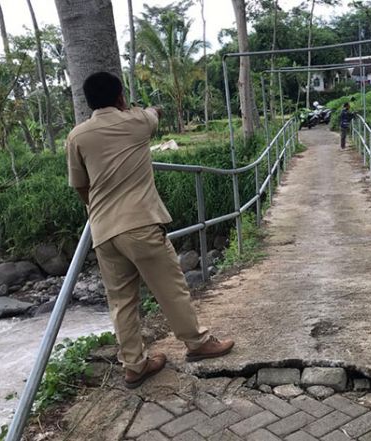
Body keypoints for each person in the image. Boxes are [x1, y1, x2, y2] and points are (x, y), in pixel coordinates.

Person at [66, 72, 234, 389]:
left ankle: (134, 365)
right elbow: (156, 113)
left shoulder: (78, 136)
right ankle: (198, 344)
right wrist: (144, 108)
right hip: (141, 223)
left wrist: (96, 210)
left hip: (103, 230)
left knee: (122, 301)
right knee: (170, 288)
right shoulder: (137, 122)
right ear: (119, 97)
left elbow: (80, 185)